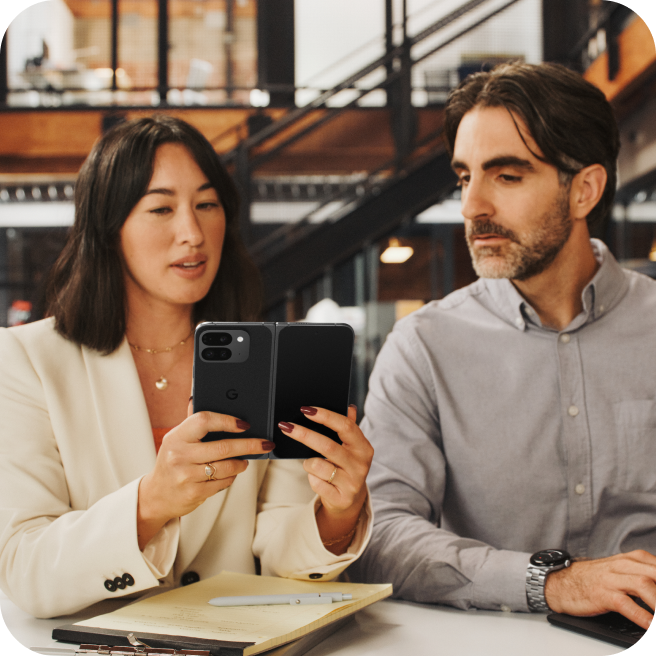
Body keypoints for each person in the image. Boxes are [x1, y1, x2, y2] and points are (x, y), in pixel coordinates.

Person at [0, 115, 373, 619]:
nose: (192, 233)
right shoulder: (27, 360)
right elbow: (24, 568)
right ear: (109, 230)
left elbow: (283, 550)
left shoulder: (270, 358)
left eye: (206, 205)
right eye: (160, 208)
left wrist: (338, 513)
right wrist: (150, 504)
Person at [348, 61, 656, 631]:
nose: (471, 208)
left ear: (584, 189)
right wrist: (549, 582)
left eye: (506, 176)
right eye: (466, 177)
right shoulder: (423, 346)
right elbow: (380, 535)